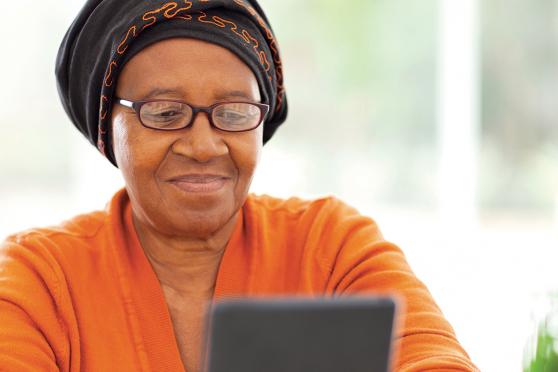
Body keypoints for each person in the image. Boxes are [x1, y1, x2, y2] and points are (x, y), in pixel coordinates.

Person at [0, 0, 478, 371]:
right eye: (165, 113)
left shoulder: (332, 246)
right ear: (110, 129)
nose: (205, 145)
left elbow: (434, 359)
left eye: (233, 114)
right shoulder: (40, 279)